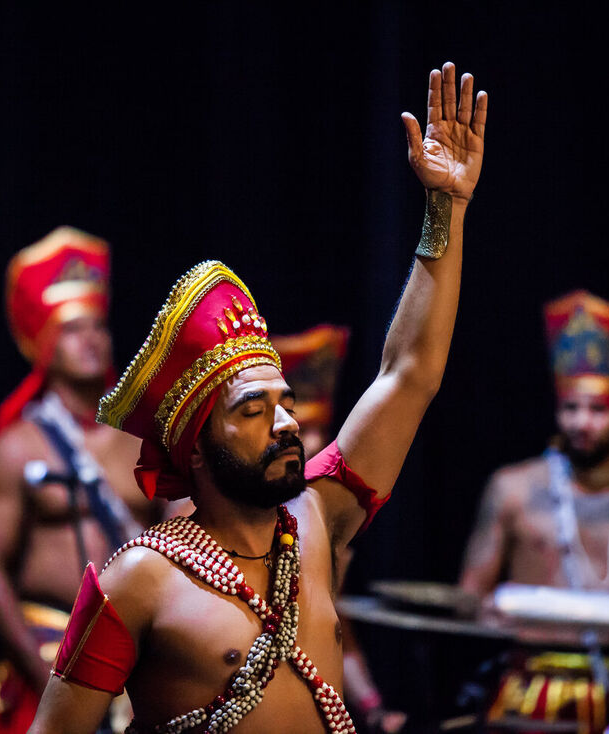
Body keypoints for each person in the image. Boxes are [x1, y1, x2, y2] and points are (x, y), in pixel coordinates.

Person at [29, 61, 486, 734]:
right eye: (250, 410)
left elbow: (409, 373)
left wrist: (445, 208)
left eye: (284, 404)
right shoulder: (138, 579)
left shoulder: (320, 520)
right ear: (199, 445)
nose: (282, 422)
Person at [459, 290, 609, 730]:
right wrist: (486, 610)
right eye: (570, 408)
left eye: (597, 409)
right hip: (527, 693)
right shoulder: (512, 488)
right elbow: (469, 596)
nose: (580, 423)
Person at [0, 228, 148, 734]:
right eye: (73, 329)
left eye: (98, 325)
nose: (91, 338)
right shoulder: (17, 448)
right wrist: (45, 675)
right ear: (46, 342)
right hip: (47, 659)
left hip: (139, 667)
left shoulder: (141, 442)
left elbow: (184, 547)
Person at [274, 325, 407, 734]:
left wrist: (370, 705)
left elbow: (331, 623)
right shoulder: (204, 510)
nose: (309, 441)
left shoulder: (318, 514)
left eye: (318, 430)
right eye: (300, 428)